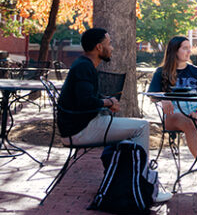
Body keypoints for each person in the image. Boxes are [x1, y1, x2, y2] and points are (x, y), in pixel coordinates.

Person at [57, 27, 172, 204]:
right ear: (98, 47)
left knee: (133, 129)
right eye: (109, 44)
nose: (112, 48)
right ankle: (145, 188)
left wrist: (106, 100)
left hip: (84, 124)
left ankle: (126, 183)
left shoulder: (84, 65)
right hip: (79, 130)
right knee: (142, 127)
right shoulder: (84, 68)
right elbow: (84, 101)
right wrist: (108, 103)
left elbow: (86, 97)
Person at [147, 36, 197, 190]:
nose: (189, 51)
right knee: (188, 123)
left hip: (194, 112)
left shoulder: (196, 72)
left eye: (189, 47)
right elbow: (152, 96)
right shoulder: (161, 72)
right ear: (175, 51)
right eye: (185, 48)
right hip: (173, 115)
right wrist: (162, 99)